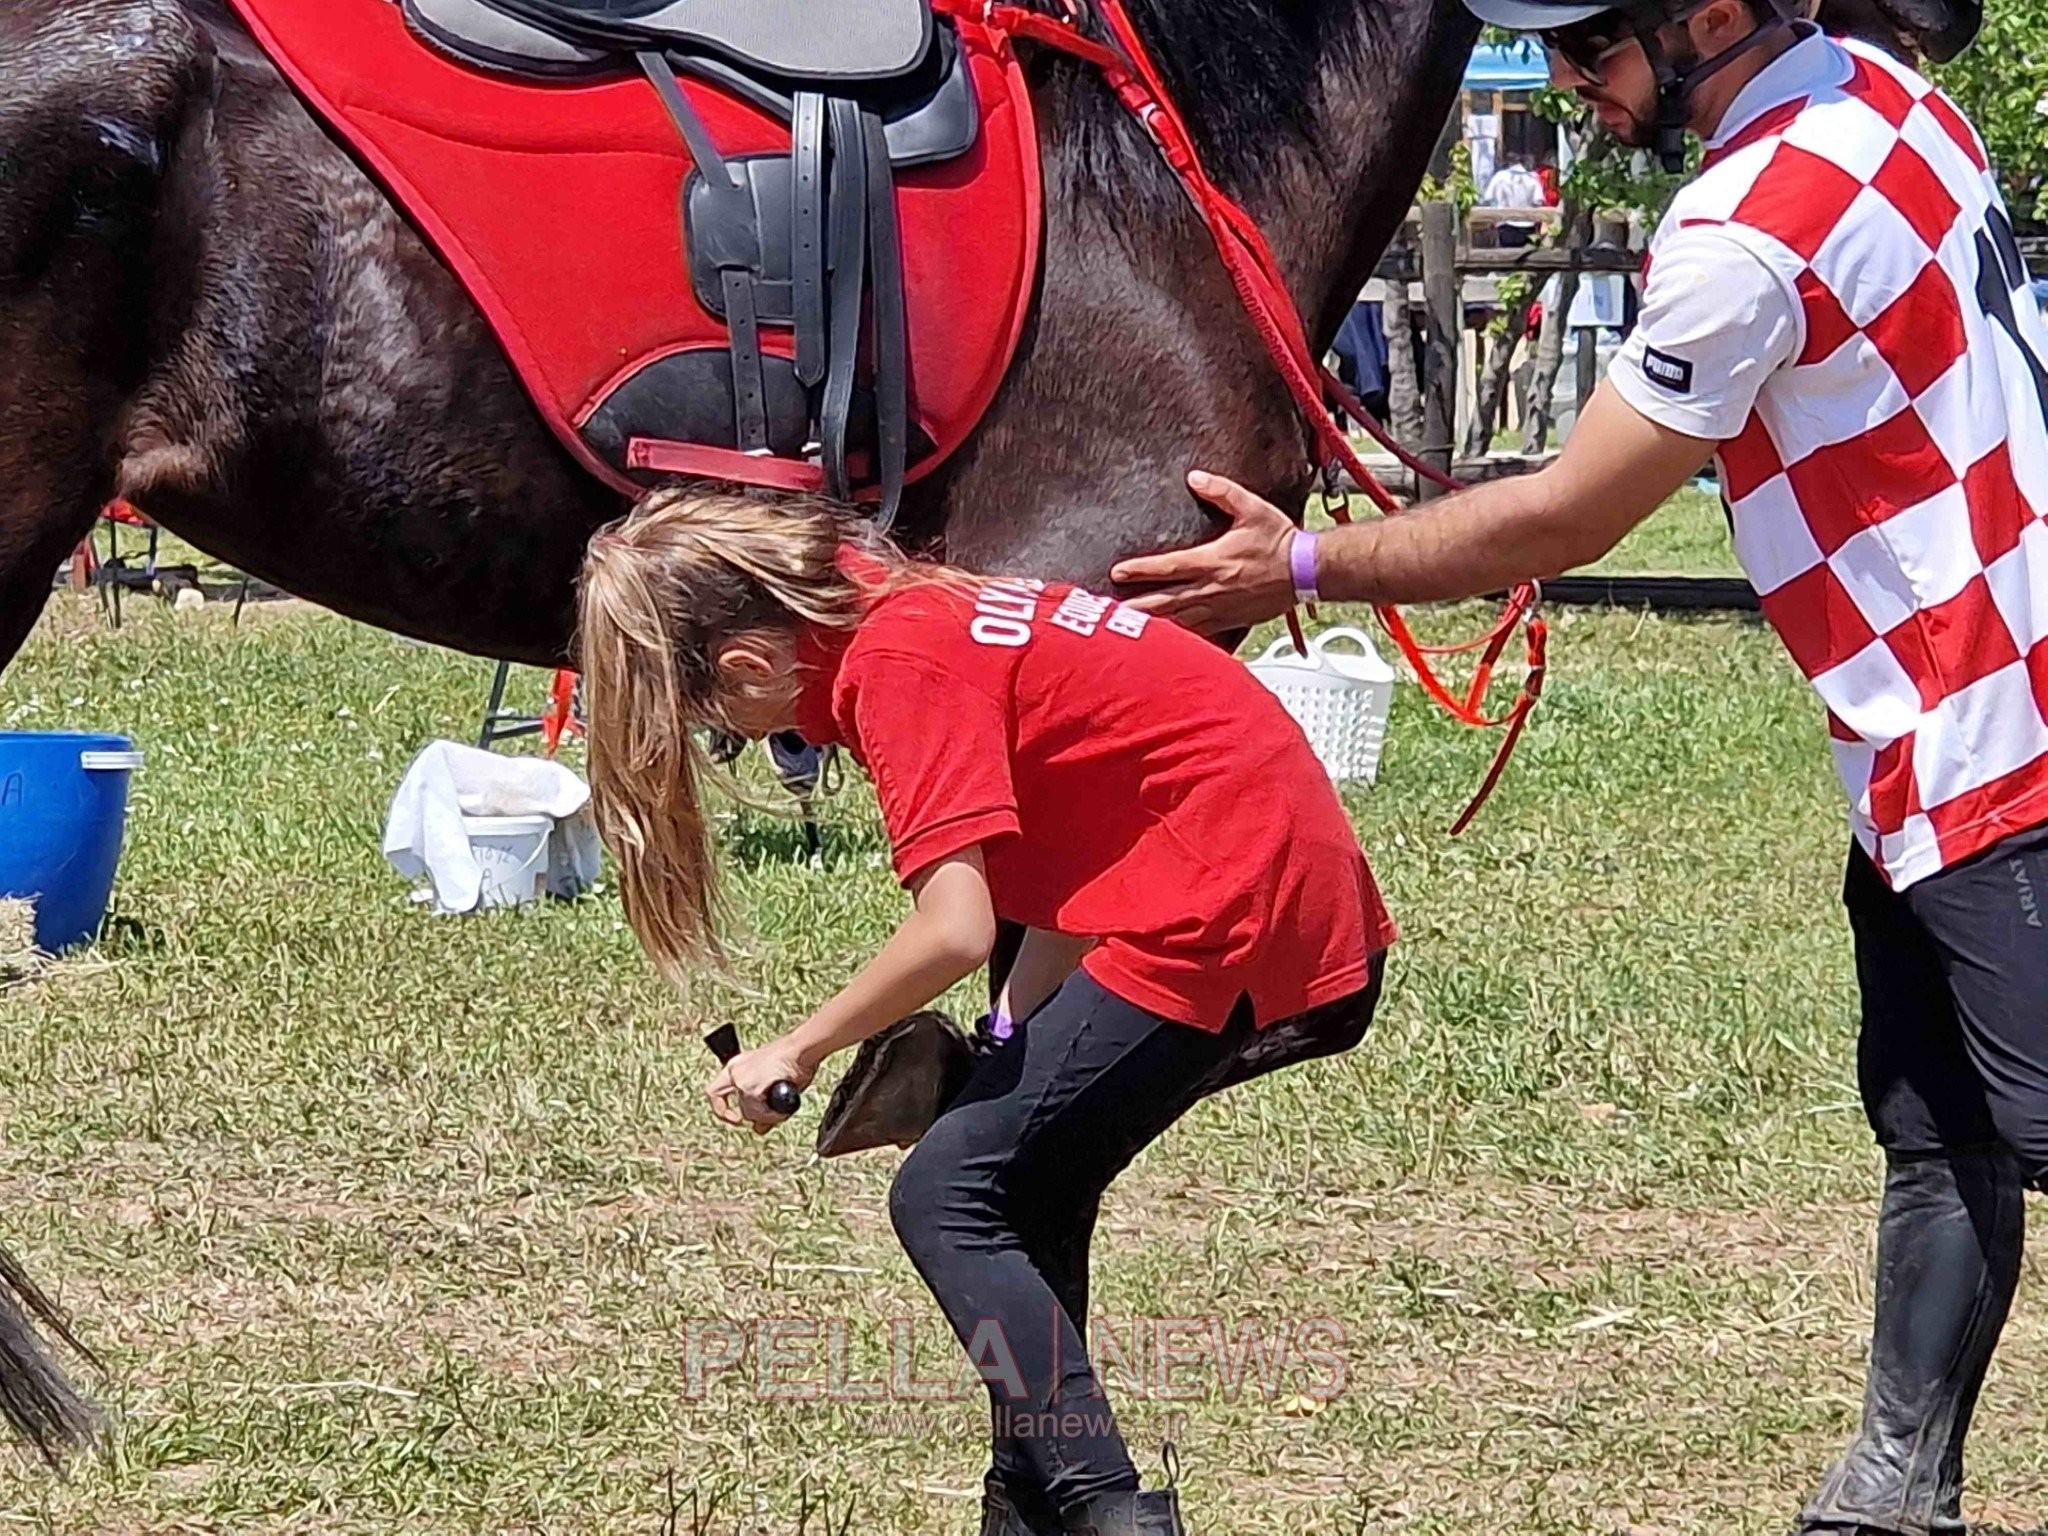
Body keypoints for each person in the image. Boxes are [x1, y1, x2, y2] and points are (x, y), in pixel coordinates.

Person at [1111, 3, 2047, 1533]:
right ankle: (1893, 1492)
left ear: (1717, 19)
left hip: (1996, 737)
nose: (1569, 87)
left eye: (1590, 47)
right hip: (1940, 726)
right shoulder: (1885, 96)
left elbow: (1563, 518)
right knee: (1938, 1123)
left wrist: (1299, 564)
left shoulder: (1747, 224)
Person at [575, 487, 1397, 1536]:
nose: (727, 734)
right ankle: (1029, 1508)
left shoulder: (894, 672)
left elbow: (954, 928)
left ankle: (1108, 1513)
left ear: (747, 666)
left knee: (946, 1196)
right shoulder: (918, 611)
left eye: (713, 721)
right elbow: (1076, 834)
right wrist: (1011, 1032)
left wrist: (799, 1047)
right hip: (1234, 882)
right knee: (1024, 1186)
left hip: (1226, 912)